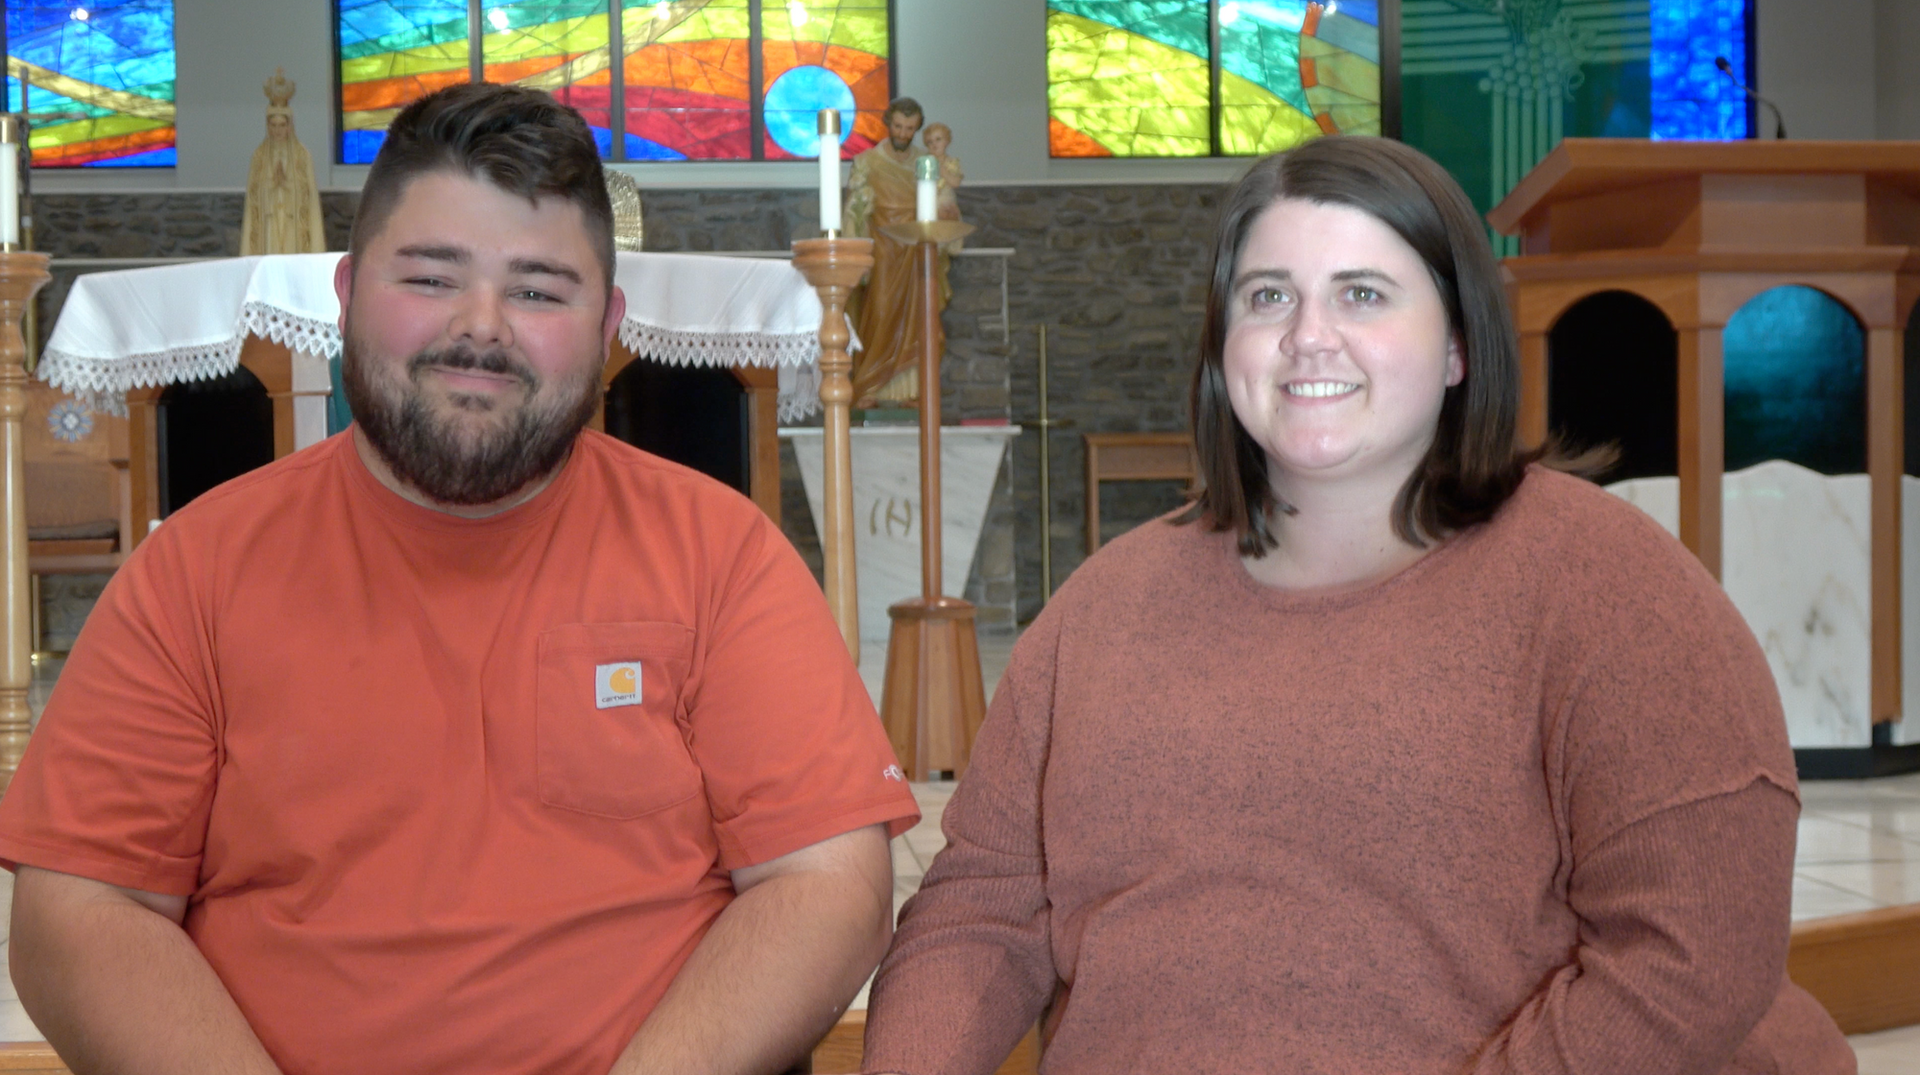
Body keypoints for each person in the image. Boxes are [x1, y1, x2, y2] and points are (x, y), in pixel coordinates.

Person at [861, 136, 1855, 1074]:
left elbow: (1691, 954)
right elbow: (982, 910)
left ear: (1460, 344)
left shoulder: (1608, 590)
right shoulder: (1105, 605)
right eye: (1268, 296)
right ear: (1224, 344)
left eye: (1364, 293)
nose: (1308, 338)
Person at [1, 83, 919, 1075]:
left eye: (537, 289)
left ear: (607, 323)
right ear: (347, 295)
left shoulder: (720, 555)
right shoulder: (195, 569)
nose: (481, 329)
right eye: (432, 278)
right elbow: (79, 906)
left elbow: (827, 883)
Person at [842, 96, 949, 406]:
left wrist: (947, 210)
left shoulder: (926, 163)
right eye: (899, 127)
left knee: (920, 318)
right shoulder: (867, 161)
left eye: (910, 129)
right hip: (882, 251)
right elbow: (855, 208)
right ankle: (869, 387)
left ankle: (914, 391)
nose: (903, 134)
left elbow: (941, 198)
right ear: (888, 123)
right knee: (879, 312)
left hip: (916, 250)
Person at [240, 67, 326, 256]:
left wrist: (287, 184)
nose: (277, 130)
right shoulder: (259, 156)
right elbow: (254, 196)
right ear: (267, 126)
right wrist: (271, 184)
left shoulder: (302, 156)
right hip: (268, 223)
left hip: (293, 223)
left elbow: (308, 197)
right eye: (273, 125)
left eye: (282, 125)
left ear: (289, 126)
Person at [920, 122, 962, 223]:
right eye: (930, 142)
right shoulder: (924, 162)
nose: (934, 144)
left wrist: (943, 171)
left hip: (946, 205)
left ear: (947, 141)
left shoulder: (951, 163)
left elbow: (956, 183)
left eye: (938, 139)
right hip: (928, 206)